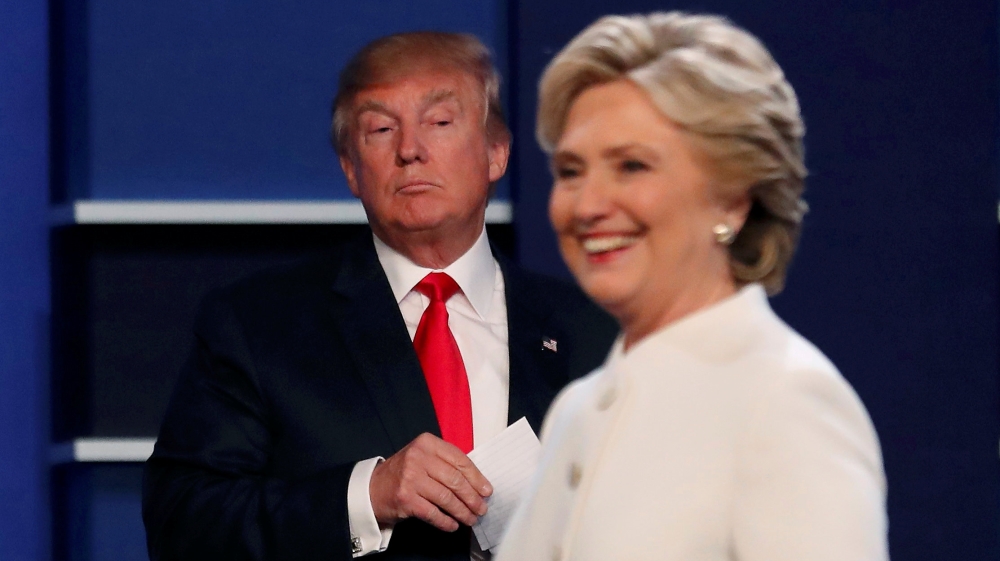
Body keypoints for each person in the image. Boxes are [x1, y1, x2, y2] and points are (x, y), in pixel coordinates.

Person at [142, 31, 617, 561]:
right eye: (381, 129)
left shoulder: (597, 333)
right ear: (351, 169)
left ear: (496, 152)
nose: (410, 150)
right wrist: (366, 496)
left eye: (439, 122)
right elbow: (182, 523)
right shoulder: (257, 325)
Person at [496, 12, 888, 561]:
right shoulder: (575, 412)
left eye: (632, 166)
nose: (587, 206)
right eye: (570, 171)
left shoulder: (784, 401)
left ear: (733, 198)